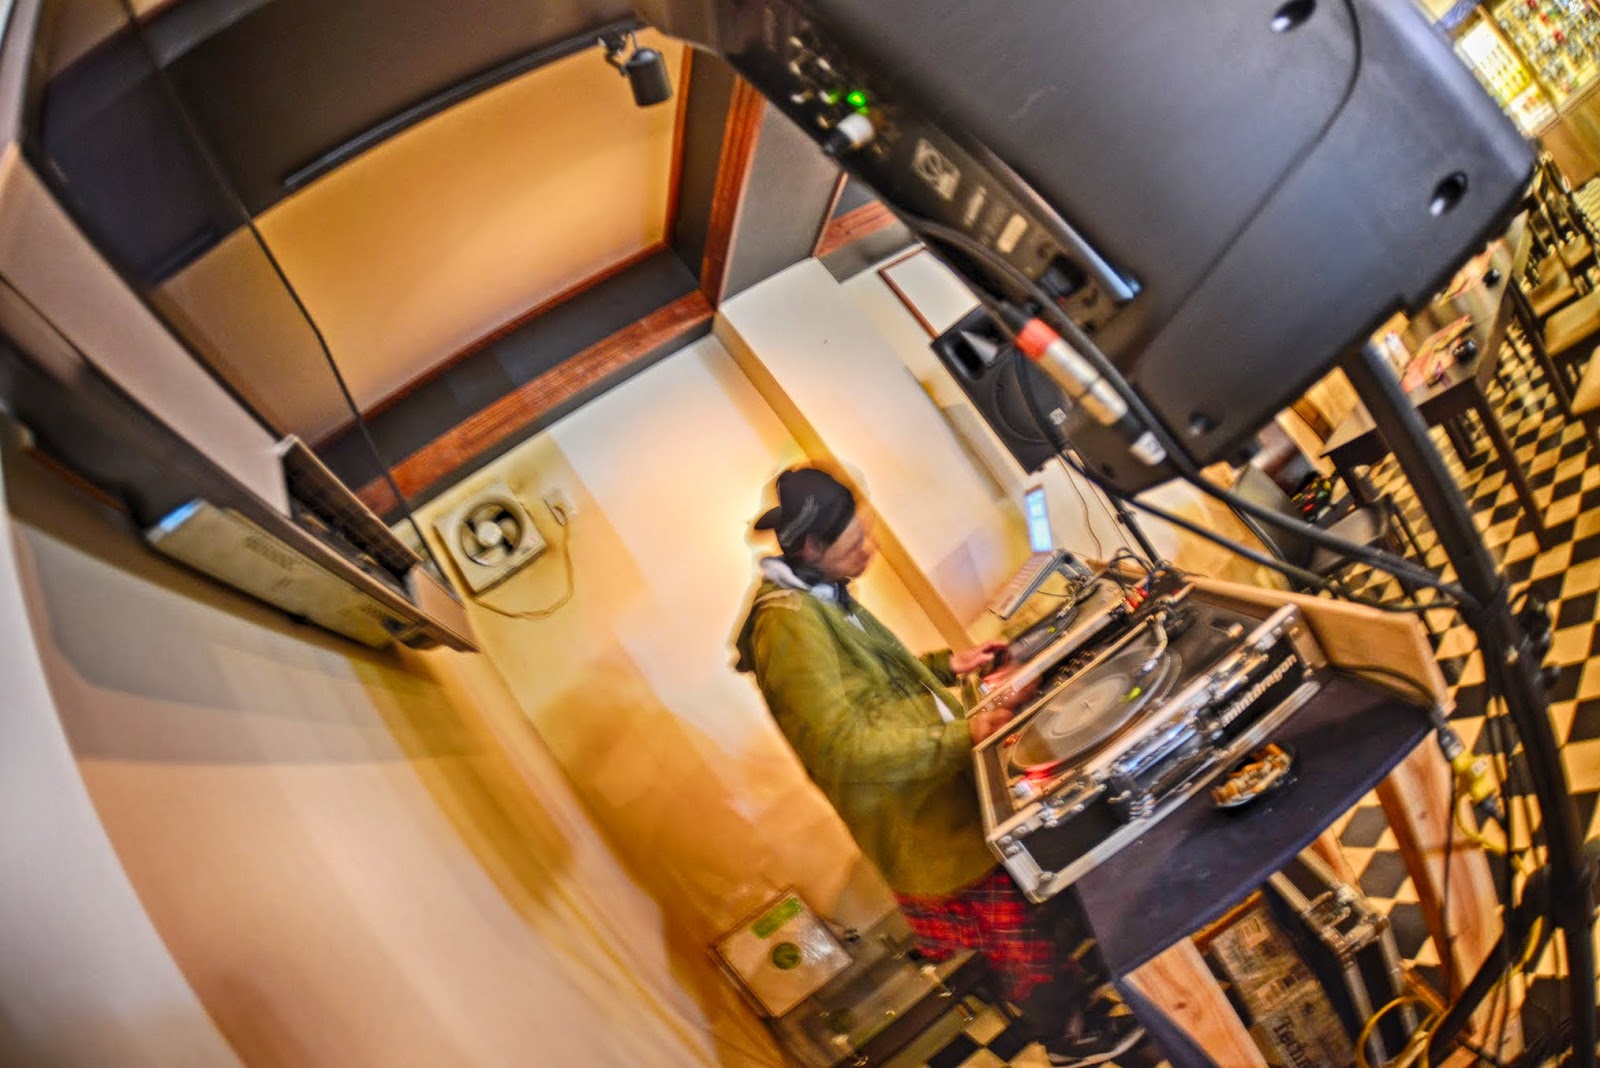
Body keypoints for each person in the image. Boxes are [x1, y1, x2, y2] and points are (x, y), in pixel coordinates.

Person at [733, 466, 1146, 1066]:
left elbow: (872, 685)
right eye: (855, 544)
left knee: (1025, 918)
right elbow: (842, 746)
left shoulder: (821, 593)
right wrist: (964, 733)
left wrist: (947, 666)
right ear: (811, 547)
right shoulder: (787, 625)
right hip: (917, 817)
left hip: (935, 793)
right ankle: (1069, 1037)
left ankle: (1081, 1005)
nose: (870, 551)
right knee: (1014, 937)